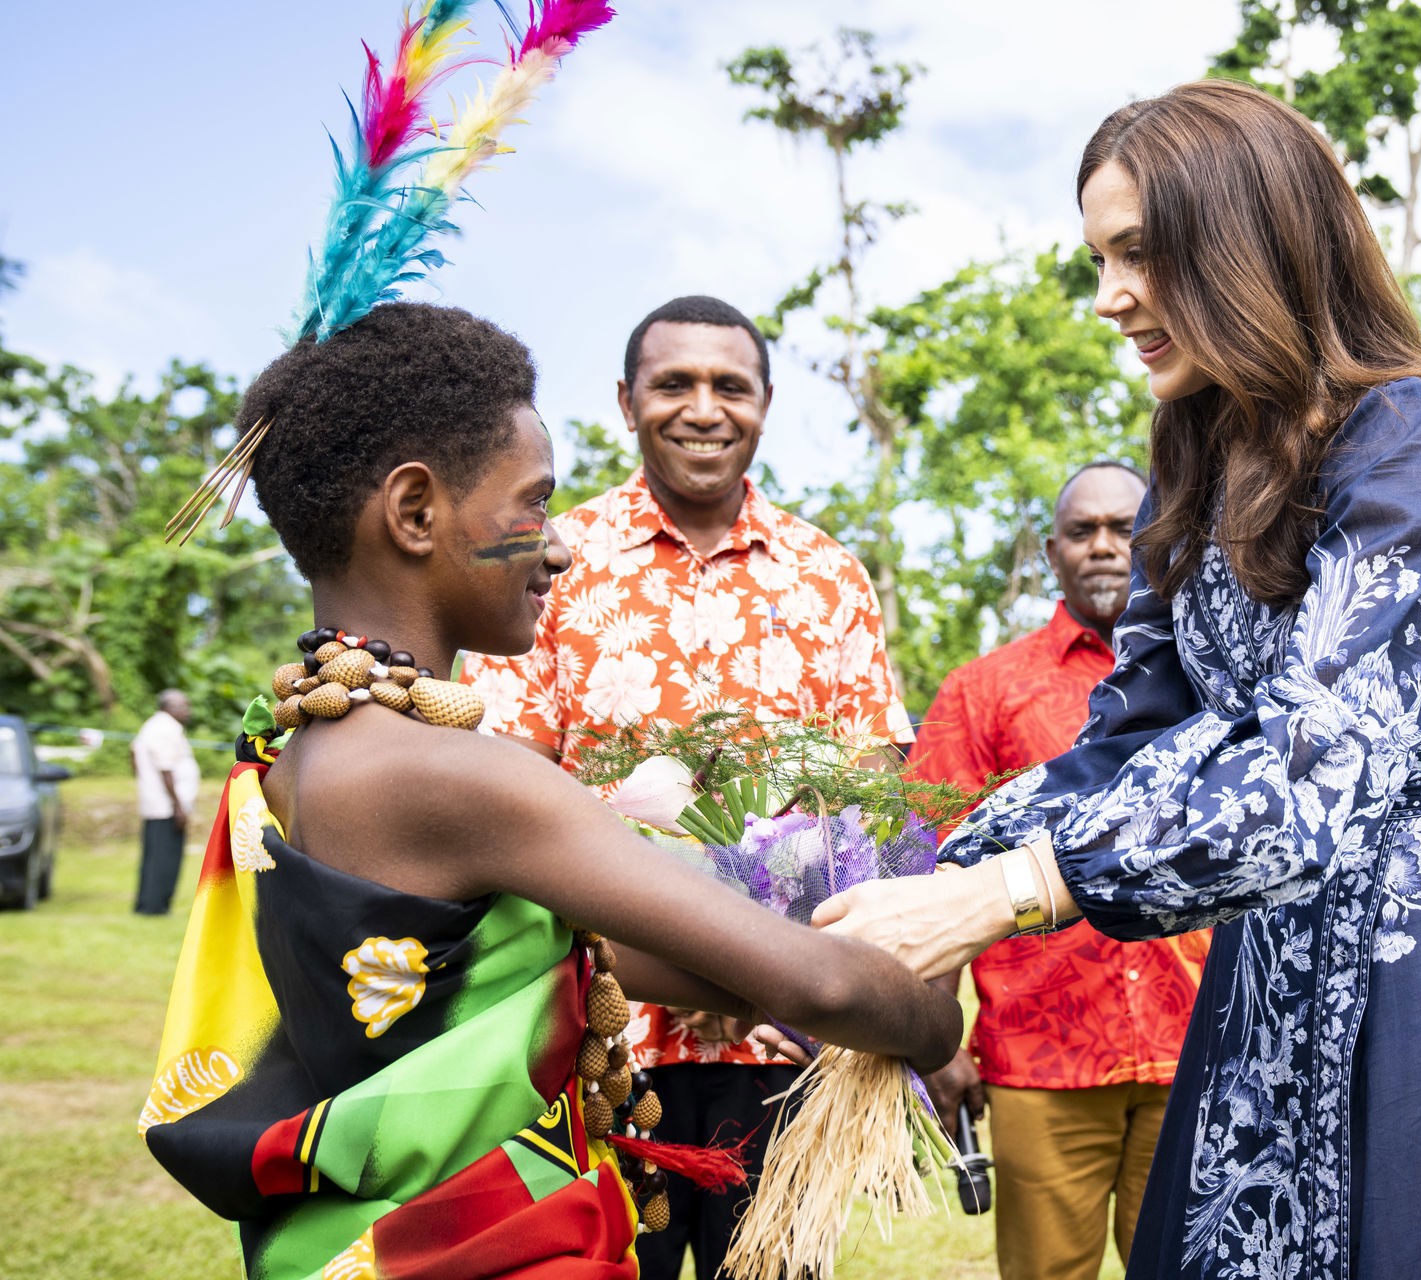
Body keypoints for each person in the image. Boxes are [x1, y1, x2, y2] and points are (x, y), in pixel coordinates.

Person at [810, 81, 1421, 1280]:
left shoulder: (1409, 440)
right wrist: (898, 897)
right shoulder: (1191, 458)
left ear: (1244, 240)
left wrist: (1011, 895)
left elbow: (1313, 782)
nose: (1108, 297)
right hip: (1265, 981)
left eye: (1138, 254)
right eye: (1100, 258)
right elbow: (1127, 740)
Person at [142, 302, 960, 1280]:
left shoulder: (298, 744)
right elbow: (816, 982)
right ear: (413, 514)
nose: (560, 546)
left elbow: (560, 950)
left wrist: (768, 946)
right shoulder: (456, 775)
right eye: (531, 504)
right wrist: (931, 1015)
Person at [461, 294, 915, 1280]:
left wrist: (773, 971)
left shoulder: (827, 574)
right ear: (626, 401)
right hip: (596, 1029)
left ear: (764, 403)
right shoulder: (551, 565)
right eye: (674, 384)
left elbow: (869, 797)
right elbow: (499, 792)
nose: (702, 407)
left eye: (728, 385)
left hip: (784, 1040)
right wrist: (674, 955)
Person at [909, 461, 1209, 1280]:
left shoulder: (1212, 680)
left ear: (1162, 542)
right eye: (1084, 532)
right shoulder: (984, 692)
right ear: (1052, 552)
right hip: (1045, 1059)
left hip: (1201, 1049)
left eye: (1127, 529)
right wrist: (936, 1039)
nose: (1106, 547)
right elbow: (930, 865)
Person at [131, 689, 198, 915]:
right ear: (169, 707)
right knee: (165, 858)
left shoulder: (152, 725)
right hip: (165, 807)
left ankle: (147, 903)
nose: (188, 710)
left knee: (153, 856)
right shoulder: (166, 728)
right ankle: (155, 906)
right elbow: (166, 768)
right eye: (184, 705)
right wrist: (177, 806)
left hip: (156, 803)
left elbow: (133, 754)